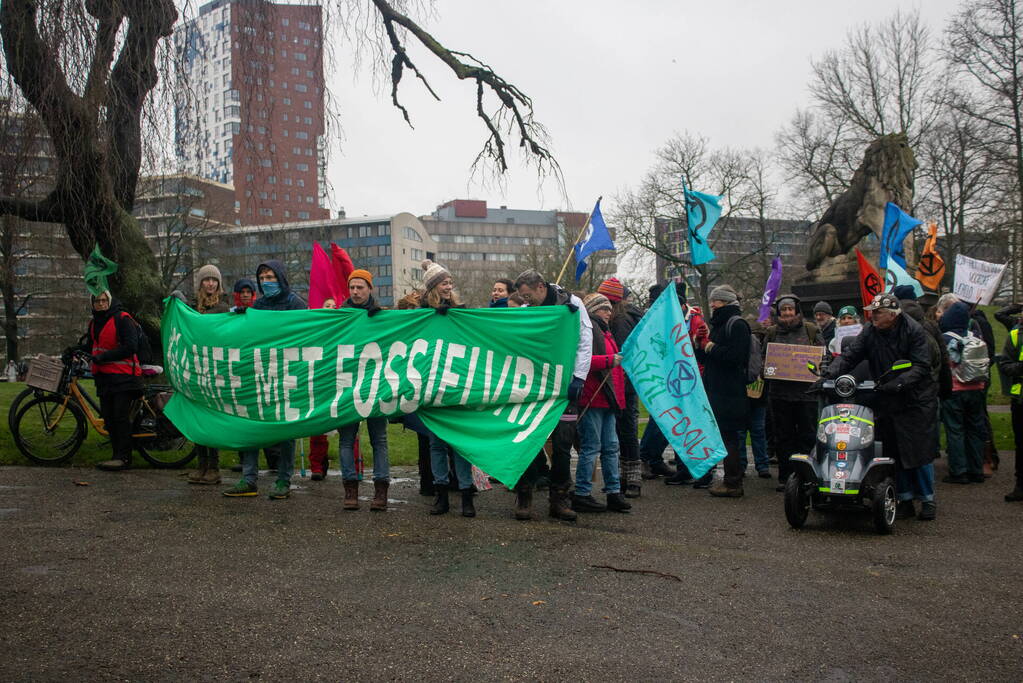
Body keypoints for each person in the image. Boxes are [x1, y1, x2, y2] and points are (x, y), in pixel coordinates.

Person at [825, 293, 939, 520]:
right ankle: (904, 499)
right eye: (871, 312)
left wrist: (900, 382)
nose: (872, 316)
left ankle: (927, 499)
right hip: (887, 396)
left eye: (877, 312)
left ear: (892, 314)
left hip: (915, 399)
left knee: (917, 451)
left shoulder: (914, 331)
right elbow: (851, 355)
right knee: (892, 450)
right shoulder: (870, 330)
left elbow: (921, 365)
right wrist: (829, 373)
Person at [513, 269, 593, 521]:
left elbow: (584, 340)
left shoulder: (572, 303)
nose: (526, 301)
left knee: (562, 444)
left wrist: (578, 376)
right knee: (526, 439)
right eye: (522, 297)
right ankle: (524, 495)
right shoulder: (526, 311)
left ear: (540, 286)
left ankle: (559, 499)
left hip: (564, 385)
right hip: (535, 386)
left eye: (528, 295)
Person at [223, 260, 306, 500]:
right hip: (259, 374)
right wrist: (241, 319)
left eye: (270, 277)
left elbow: (307, 334)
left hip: (286, 375)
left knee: (285, 430)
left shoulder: (295, 304)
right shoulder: (258, 306)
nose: (266, 282)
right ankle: (249, 479)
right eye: (263, 278)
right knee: (251, 425)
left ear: (280, 277)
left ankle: (283, 480)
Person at [419, 260, 476, 518]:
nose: (449, 286)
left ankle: (466, 493)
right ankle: (441, 493)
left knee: (459, 443)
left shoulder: (460, 311)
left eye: (450, 282)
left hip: (456, 382)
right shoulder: (420, 313)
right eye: (444, 282)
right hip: (431, 383)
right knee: (436, 443)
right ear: (433, 286)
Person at [571, 294, 631, 513]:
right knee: (591, 447)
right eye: (604, 308)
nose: (609, 312)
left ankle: (613, 491)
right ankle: (582, 493)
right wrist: (609, 360)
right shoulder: (588, 331)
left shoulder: (606, 332)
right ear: (594, 310)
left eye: (609, 308)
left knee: (611, 447)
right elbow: (582, 361)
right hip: (593, 397)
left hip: (607, 399)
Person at [71, 290, 143, 471]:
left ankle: (124, 458)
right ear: (93, 304)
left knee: (120, 417)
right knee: (109, 418)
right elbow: (91, 346)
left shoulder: (123, 319)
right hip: (105, 377)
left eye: (104, 300)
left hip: (124, 376)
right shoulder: (95, 323)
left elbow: (131, 346)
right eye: (97, 301)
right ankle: (116, 455)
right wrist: (74, 350)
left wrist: (105, 356)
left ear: (110, 301)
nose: (101, 304)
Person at [338, 269, 390, 512]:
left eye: (360, 287)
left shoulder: (383, 317)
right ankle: (351, 488)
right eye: (352, 287)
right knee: (346, 440)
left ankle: (381, 490)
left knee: (379, 439)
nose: (356, 292)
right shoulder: (340, 316)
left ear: (371, 289)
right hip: (346, 386)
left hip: (376, 386)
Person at [694, 284, 751, 497]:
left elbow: (736, 356)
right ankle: (730, 479)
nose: (712, 304)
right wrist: (700, 344)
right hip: (718, 388)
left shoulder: (737, 325)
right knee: (725, 436)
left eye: (715, 301)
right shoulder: (719, 325)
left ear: (725, 302)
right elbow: (708, 359)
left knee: (729, 436)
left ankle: (733, 482)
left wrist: (710, 347)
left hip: (729, 391)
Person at [763, 294, 823, 492]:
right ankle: (786, 476)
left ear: (797, 310)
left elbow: (825, 357)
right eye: (784, 310)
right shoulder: (772, 332)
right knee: (783, 436)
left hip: (807, 395)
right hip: (780, 395)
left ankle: (807, 476)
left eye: (790, 309)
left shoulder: (811, 330)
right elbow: (765, 359)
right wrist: (769, 368)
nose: (787, 313)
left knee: (807, 435)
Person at [599, 277, 643, 498]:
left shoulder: (621, 320)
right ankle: (626, 478)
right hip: (621, 383)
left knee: (625, 431)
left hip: (622, 384)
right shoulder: (621, 317)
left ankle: (632, 478)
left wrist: (620, 385)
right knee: (622, 431)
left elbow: (622, 354)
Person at [187, 264, 231, 485]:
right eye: (207, 280)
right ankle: (201, 465)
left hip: (214, 371)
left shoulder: (223, 308)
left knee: (209, 420)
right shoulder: (193, 309)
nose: (211, 284)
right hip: (195, 370)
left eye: (214, 280)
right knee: (197, 420)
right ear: (201, 283)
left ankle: (213, 467)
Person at [939, 301, 989, 485]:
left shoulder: (944, 338)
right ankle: (976, 470)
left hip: (954, 390)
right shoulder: (975, 336)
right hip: (977, 389)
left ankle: (959, 472)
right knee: (975, 430)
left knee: (956, 431)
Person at [737, 316, 771, 479]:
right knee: (751, 432)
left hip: (755, 398)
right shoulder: (758, 349)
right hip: (750, 397)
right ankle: (757, 465)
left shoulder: (765, 351)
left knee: (754, 432)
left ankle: (754, 465)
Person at [996, 310, 1023, 502]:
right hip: (1020, 399)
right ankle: (1020, 486)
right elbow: (1004, 365)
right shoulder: (1015, 335)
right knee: (1020, 444)